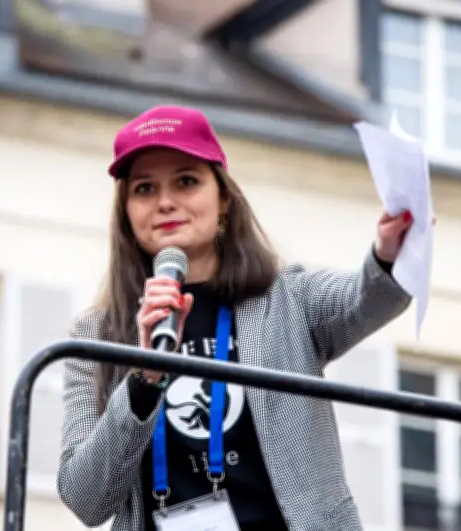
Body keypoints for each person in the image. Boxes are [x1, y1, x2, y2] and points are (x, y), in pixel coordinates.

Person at [57, 105, 414, 531]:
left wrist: (388, 255)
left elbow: (370, 298)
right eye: (145, 188)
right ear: (127, 215)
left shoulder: (288, 299)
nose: (166, 202)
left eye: (186, 181)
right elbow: (84, 498)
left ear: (223, 197)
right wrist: (143, 377)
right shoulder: (96, 336)